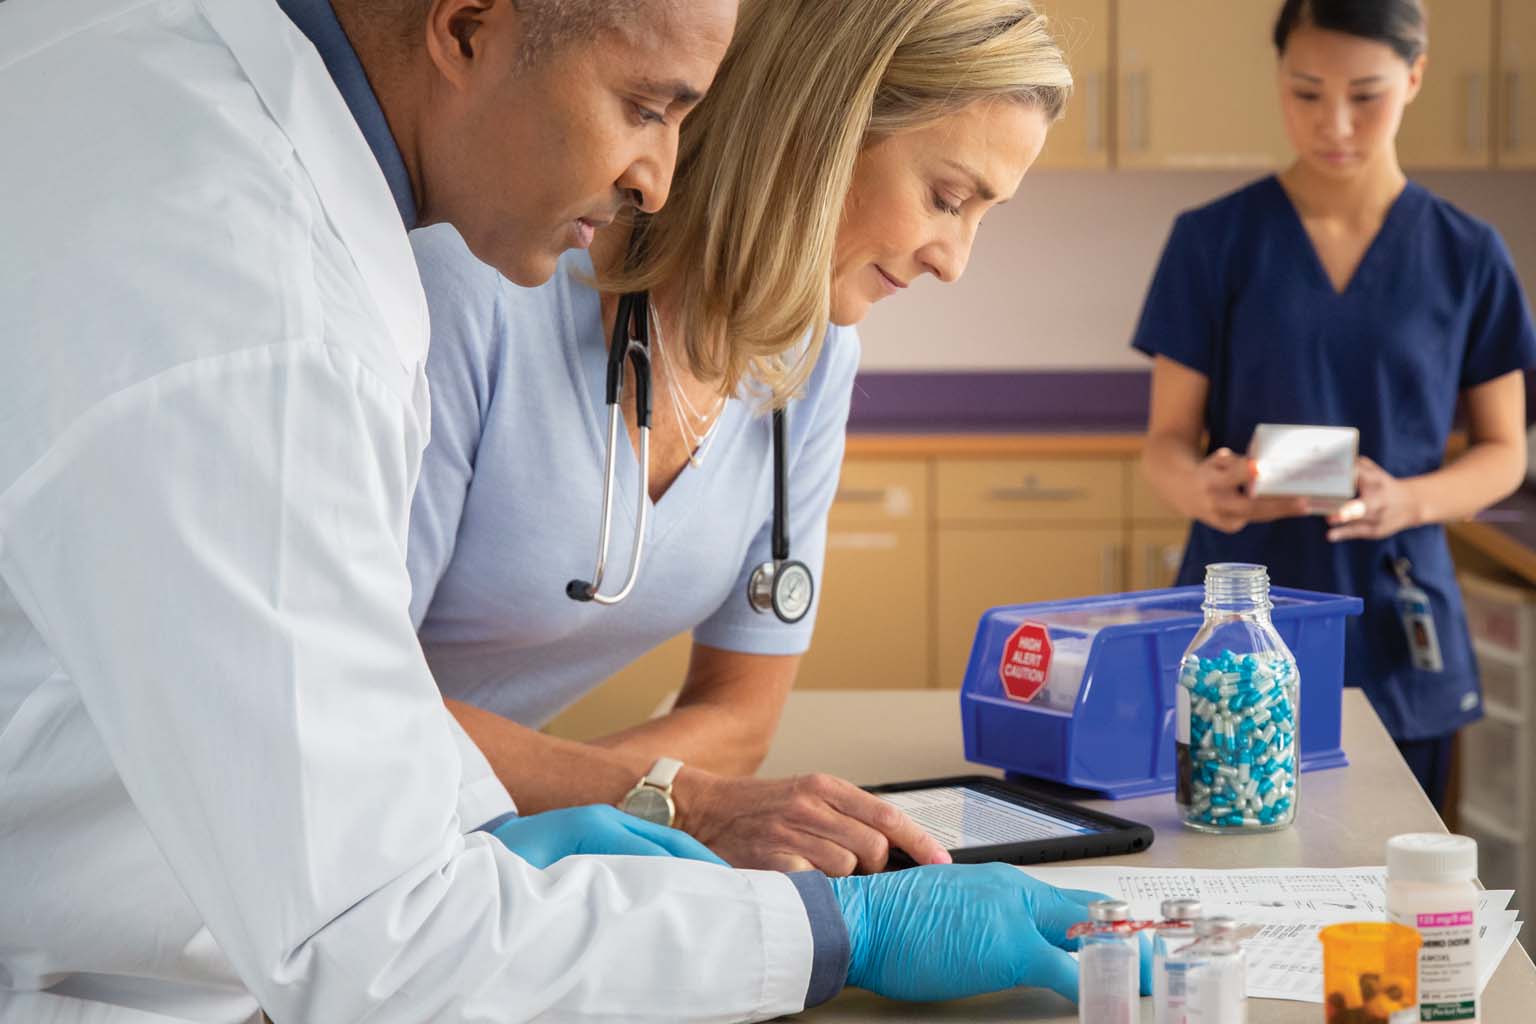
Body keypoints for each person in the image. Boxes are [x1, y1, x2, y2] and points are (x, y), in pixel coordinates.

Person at [0, 0, 1109, 1020]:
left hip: (234, 911)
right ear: (469, 25)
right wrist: (825, 928)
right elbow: (380, 939)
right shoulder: (309, 313)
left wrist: (561, 830)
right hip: (124, 958)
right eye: (648, 105)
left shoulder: (257, 181)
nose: (661, 178)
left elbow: (363, 787)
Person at [407, 0, 1073, 877]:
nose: (953, 259)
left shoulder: (811, 359)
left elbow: (740, 717)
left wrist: (576, 817)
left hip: (454, 835)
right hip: (290, 844)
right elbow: (352, 694)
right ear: (813, 131)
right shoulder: (478, 288)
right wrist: (671, 801)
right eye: (947, 199)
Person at [1134, 0, 1536, 812]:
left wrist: (1408, 500)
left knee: (1387, 875)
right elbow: (1165, 443)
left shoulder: (1466, 254)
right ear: (1278, 79)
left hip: (1395, 613)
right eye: (1306, 92)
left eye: (1367, 93)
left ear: (1416, 77)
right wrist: (1204, 488)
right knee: (1228, 853)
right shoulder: (1213, 241)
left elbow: (1505, 450)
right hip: (1236, 615)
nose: (1335, 124)